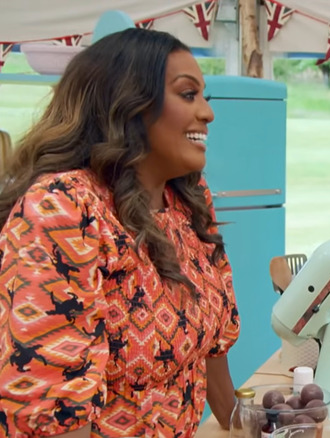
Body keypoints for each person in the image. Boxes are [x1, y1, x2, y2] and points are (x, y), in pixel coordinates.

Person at [0, 28, 240, 437]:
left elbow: (212, 349)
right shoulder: (64, 208)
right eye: (187, 94)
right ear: (130, 104)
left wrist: (251, 427)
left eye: (205, 97)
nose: (207, 113)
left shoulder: (188, 199)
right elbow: (56, 416)